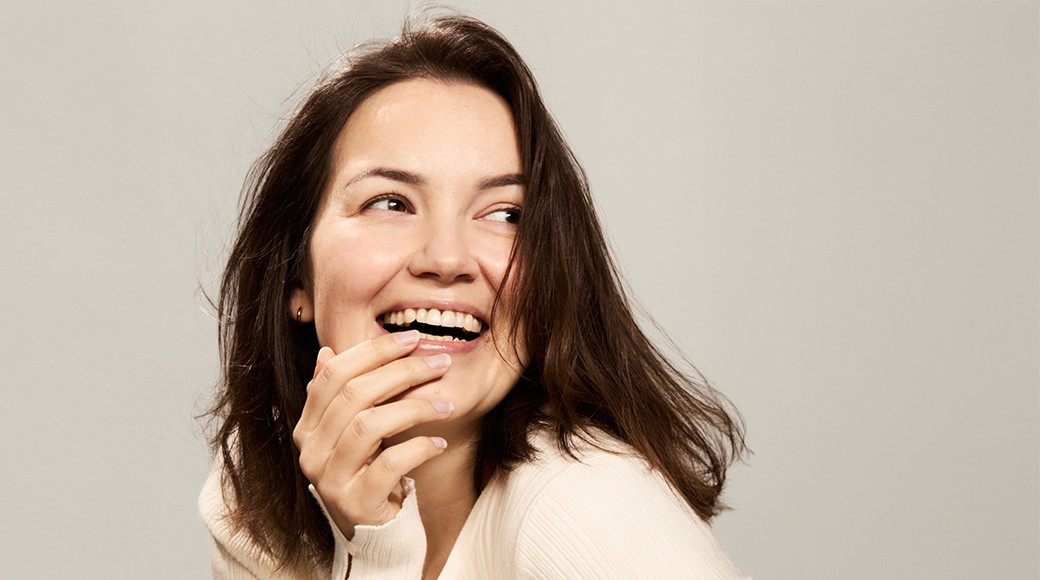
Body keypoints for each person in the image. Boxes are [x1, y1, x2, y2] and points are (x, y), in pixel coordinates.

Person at [200, 14, 749, 579]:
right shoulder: (254, 502)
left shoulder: (588, 509)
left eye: (505, 214)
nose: (446, 259)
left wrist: (378, 554)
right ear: (297, 277)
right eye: (390, 203)